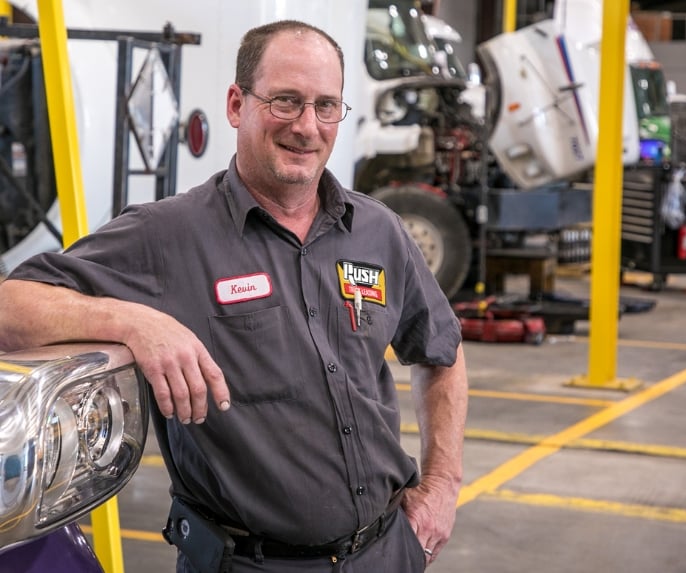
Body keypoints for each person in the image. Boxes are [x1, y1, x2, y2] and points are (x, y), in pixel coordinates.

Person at [0, 20, 468, 573]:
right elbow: (11, 306)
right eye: (286, 101)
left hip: (387, 553)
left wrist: (441, 484)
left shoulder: (378, 231)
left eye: (326, 106)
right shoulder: (168, 236)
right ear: (235, 104)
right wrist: (136, 323)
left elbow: (441, 352)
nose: (306, 126)